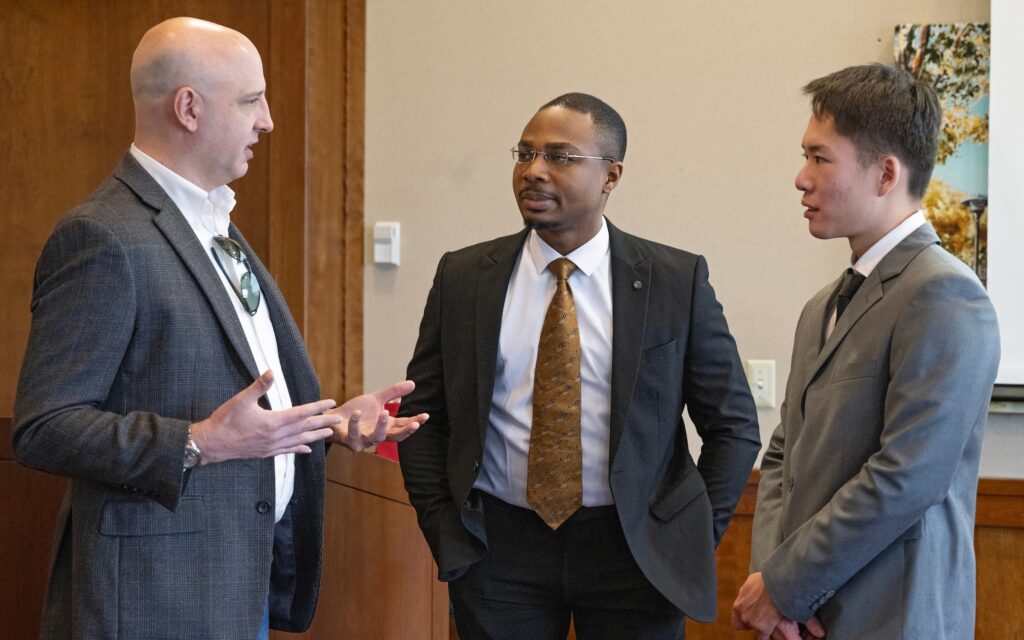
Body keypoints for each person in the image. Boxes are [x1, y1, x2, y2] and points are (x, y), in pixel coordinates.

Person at [11, 17, 427, 640]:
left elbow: (234, 404)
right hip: (155, 601)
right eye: (251, 100)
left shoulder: (212, 222)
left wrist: (324, 424)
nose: (268, 122)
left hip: (235, 583)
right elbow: (44, 427)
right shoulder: (102, 236)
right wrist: (198, 442)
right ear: (189, 108)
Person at [398, 92, 760, 640]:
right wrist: (444, 527)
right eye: (525, 154)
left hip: (634, 551)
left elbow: (732, 425)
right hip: (498, 551)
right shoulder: (465, 276)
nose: (534, 171)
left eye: (560, 157)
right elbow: (421, 416)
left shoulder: (673, 281)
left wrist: (684, 537)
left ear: (611, 175)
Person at [732, 64, 1000, 640]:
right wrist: (772, 582)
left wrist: (784, 587)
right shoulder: (820, 307)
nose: (801, 178)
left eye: (820, 158)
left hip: (891, 620)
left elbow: (908, 476)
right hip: (800, 619)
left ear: (885, 174)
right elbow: (783, 454)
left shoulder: (945, 295)